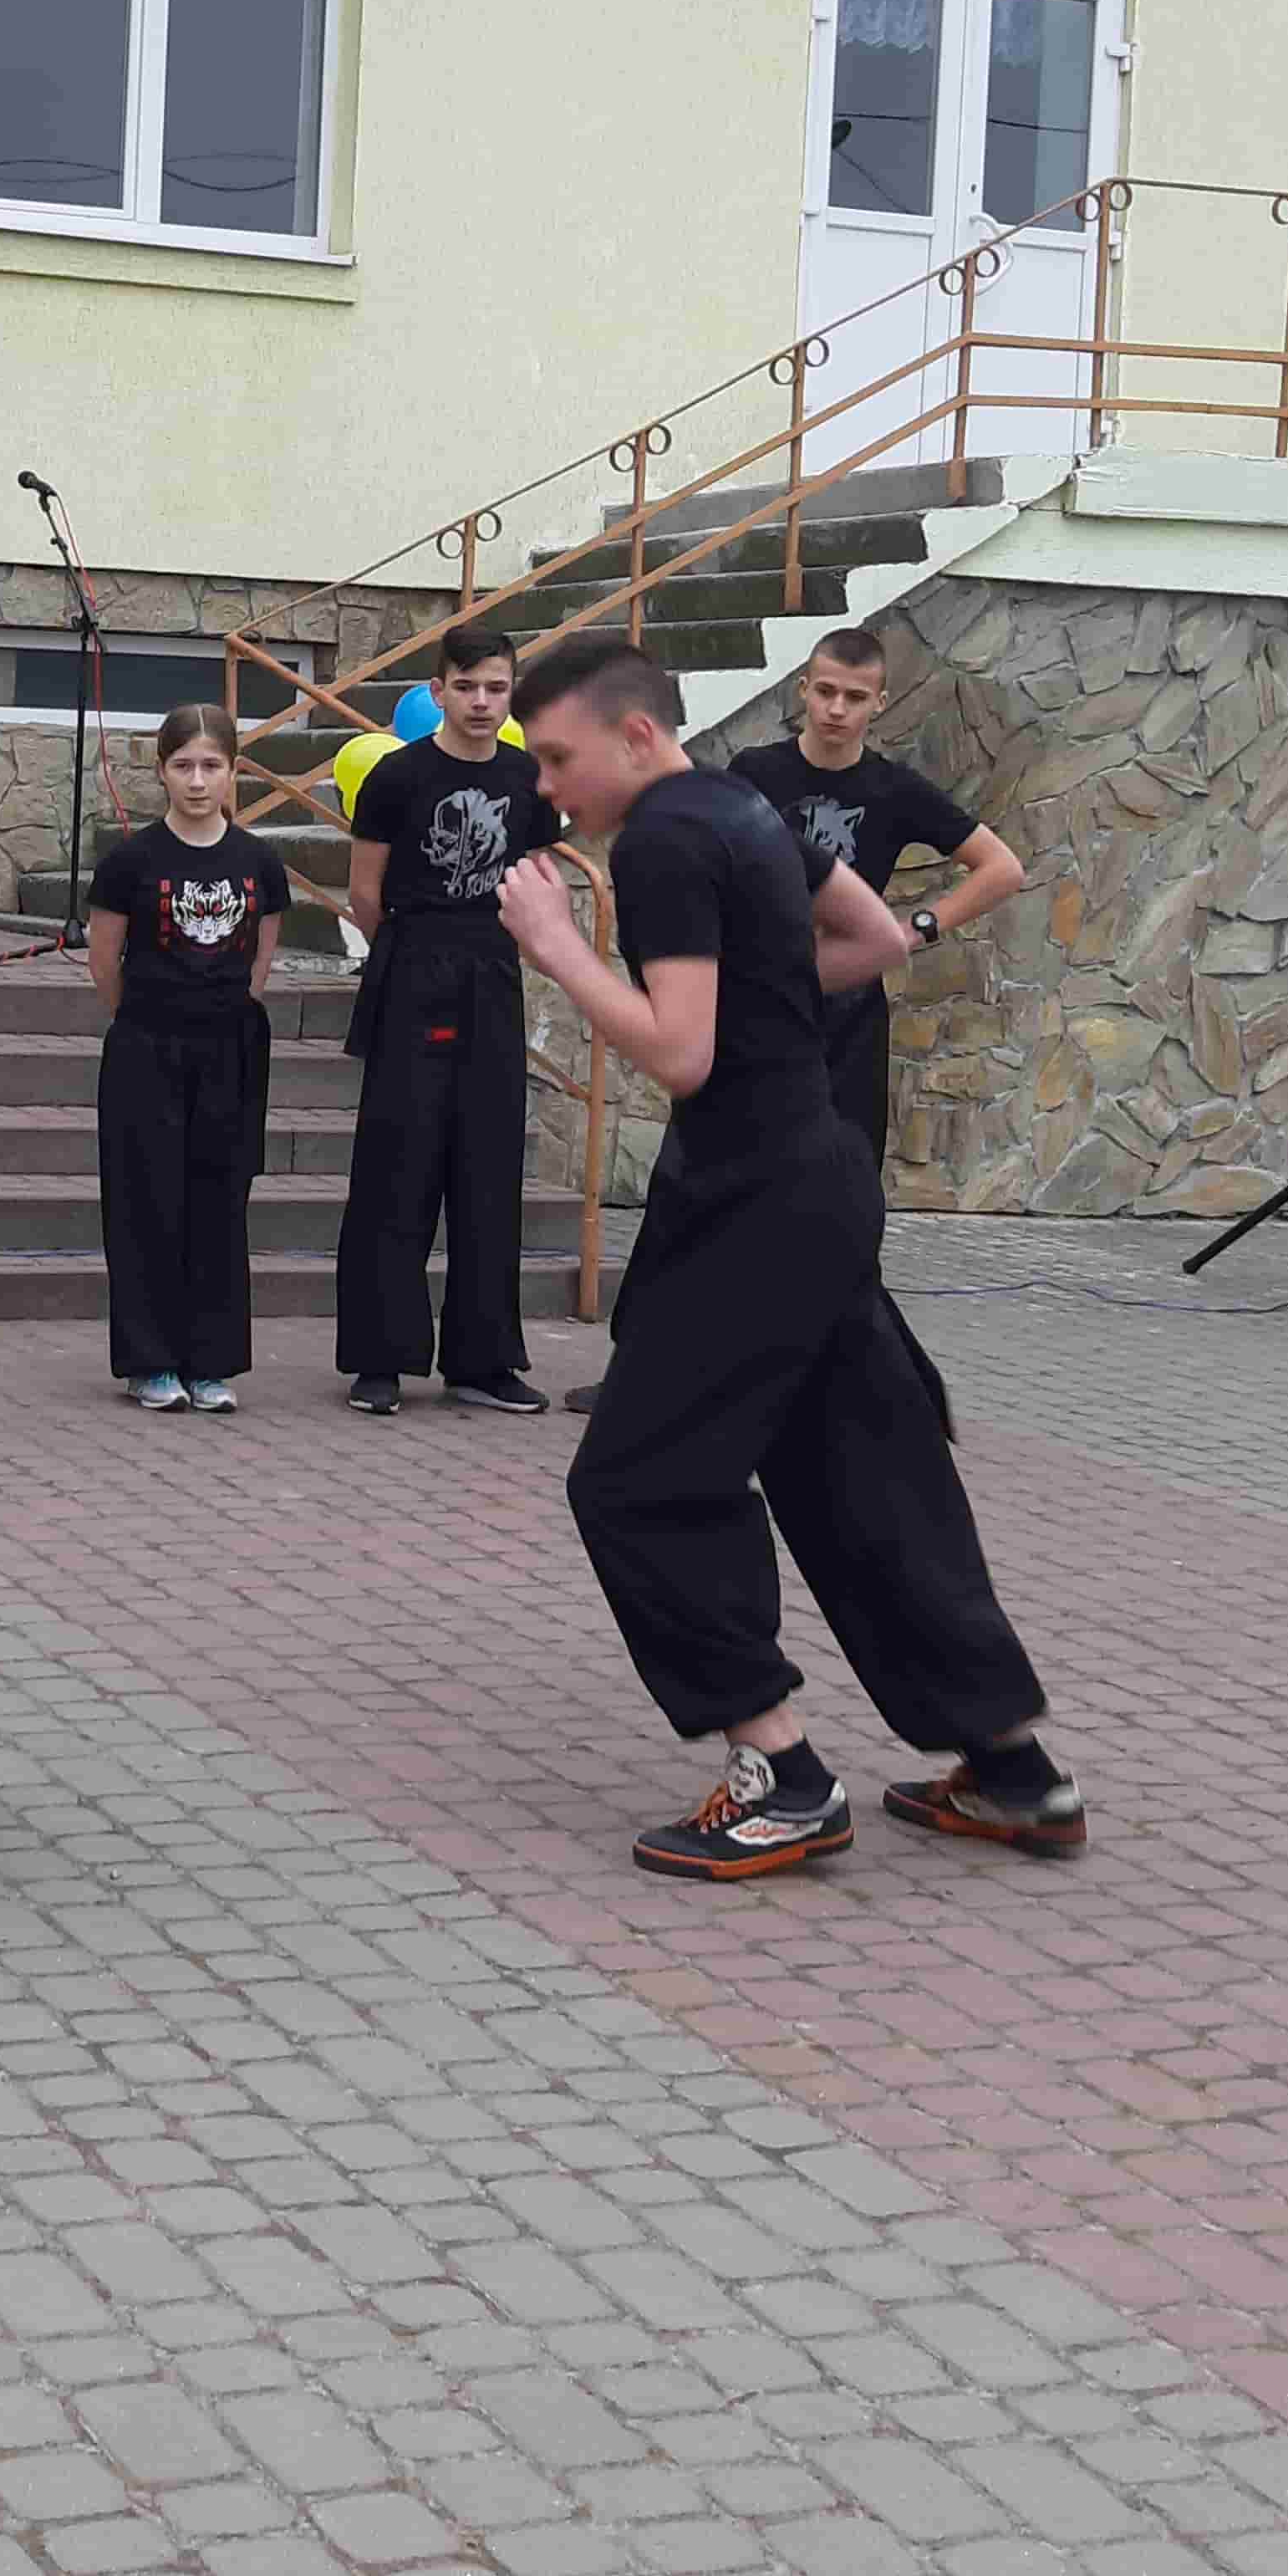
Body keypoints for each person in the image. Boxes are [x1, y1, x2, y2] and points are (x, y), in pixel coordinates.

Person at [493, 633, 1080, 1881]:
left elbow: (680, 1054)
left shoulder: (660, 838)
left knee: (639, 1485)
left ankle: (784, 1776)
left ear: (637, 736)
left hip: (752, 1205)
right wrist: (761, 997)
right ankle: (1016, 1774)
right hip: (824, 1179)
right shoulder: (742, 804)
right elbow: (876, 940)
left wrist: (556, 945)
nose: (546, 788)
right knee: (868, 1475)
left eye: (555, 758)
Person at [335, 628, 563, 1419]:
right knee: (396, 1167)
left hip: (491, 974)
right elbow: (365, 893)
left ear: (511, 693)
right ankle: (381, 1358)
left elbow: (538, 877)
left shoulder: (528, 778)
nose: (480, 702)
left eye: (495, 688)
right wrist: (413, 954)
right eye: (465, 687)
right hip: (412, 967)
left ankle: (483, 1359)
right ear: (438, 691)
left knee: (489, 1168)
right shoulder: (397, 776)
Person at [726, 625, 1026, 1167]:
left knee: (844, 1175)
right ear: (804, 689)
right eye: (825, 691)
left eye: (856, 697)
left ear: (880, 703)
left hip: (849, 1008)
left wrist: (914, 931)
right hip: (760, 993)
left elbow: (1002, 868)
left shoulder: (894, 789)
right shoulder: (754, 772)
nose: (837, 709)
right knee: (742, 1164)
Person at [89, 703, 290, 1413]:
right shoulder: (131, 862)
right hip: (147, 1047)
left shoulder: (259, 862)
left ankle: (210, 1363)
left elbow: (261, 958)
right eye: (183, 766)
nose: (198, 781)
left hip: (229, 1051)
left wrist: (222, 1013)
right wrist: (153, 1017)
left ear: (235, 771)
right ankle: (149, 1361)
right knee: (146, 1202)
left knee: (219, 1204)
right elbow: (104, 962)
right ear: (161, 772)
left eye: (212, 766)